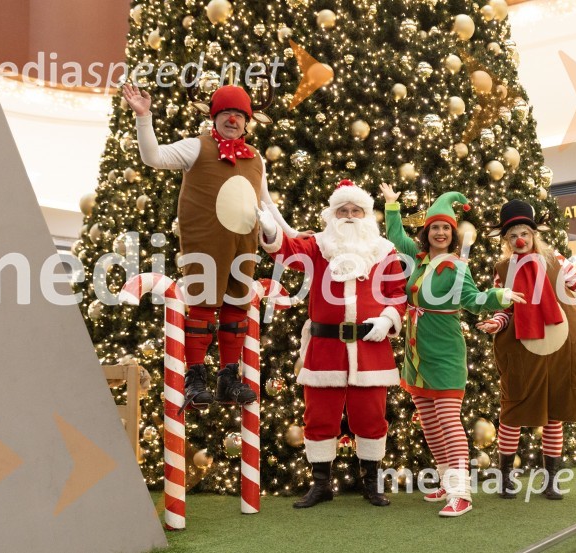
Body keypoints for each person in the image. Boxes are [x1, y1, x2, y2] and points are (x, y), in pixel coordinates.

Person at [123, 83, 306, 411]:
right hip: (205, 242)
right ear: (214, 116)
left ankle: (227, 378)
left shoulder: (256, 160)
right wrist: (144, 117)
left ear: (247, 121)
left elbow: (267, 204)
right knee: (203, 307)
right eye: (226, 113)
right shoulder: (196, 147)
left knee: (237, 308)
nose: (232, 120)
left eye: (239, 115)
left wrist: (292, 233)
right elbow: (153, 157)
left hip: (244, 243)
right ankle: (194, 378)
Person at [257, 179, 407, 509]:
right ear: (332, 214)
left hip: (370, 348)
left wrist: (386, 321)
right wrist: (270, 231)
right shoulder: (318, 245)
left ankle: (371, 484)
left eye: (356, 210)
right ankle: (321, 485)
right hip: (325, 348)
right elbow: (288, 253)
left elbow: (398, 294)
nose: (350, 216)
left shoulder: (384, 251)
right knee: (319, 416)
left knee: (371, 417)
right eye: (343, 210)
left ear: (367, 215)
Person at [380, 183, 524, 517]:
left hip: (445, 353)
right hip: (416, 357)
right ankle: (447, 480)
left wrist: (500, 297)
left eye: (447, 227)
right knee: (429, 422)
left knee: (447, 419)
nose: (441, 232)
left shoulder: (459, 267)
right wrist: (391, 206)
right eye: (436, 227)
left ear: (453, 233)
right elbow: (396, 235)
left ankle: (462, 493)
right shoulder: (415, 259)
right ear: (427, 232)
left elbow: (473, 301)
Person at [477, 199, 576, 501]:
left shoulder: (556, 260)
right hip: (522, 349)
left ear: (535, 235)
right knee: (512, 413)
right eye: (512, 235)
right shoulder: (502, 269)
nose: (520, 240)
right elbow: (504, 308)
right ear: (506, 241)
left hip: (559, 348)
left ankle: (552, 481)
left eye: (525, 233)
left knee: (554, 415)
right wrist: (495, 323)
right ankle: (506, 478)